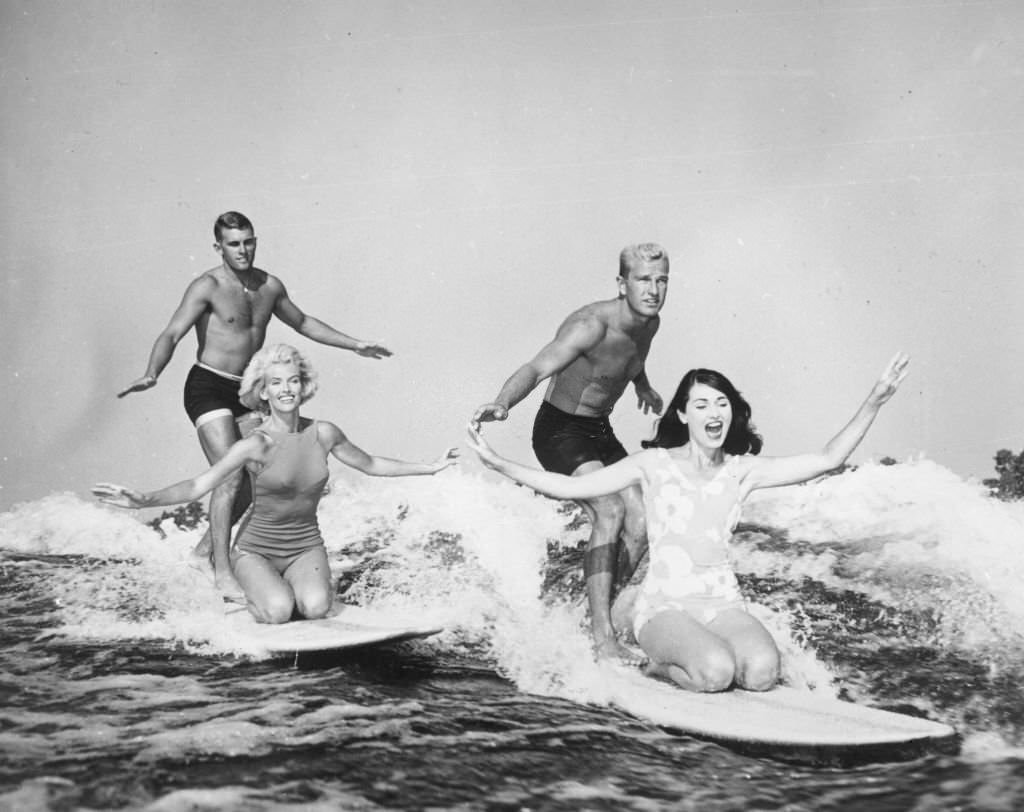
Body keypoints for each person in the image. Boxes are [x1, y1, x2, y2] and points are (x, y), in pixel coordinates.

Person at [468, 353, 910, 691]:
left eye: (721, 403)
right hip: (666, 607)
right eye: (701, 404)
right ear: (683, 414)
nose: (714, 413)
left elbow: (827, 459)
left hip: (722, 605)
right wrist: (499, 463)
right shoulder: (654, 465)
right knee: (714, 672)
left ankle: (699, 653)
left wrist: (874, 401)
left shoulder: (742, 470)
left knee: (760, 673)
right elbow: (570, 488)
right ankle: (654, 662)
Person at [117, 211, 392, 598]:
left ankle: (202, 554)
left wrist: (355, 344)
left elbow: (303, 322)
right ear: (219, 247)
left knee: (257, 475)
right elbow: (172, 332)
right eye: (233, 243)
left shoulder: (269, 286)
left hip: (248, 390)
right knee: (228, 475)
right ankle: (223, 573)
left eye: (249, 241)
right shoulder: (207, 285)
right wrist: (152, 372)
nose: (243, 250)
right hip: (208, 386)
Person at [97, 344, 457, 624]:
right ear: (263, 392)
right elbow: (197, 485)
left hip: (305, 547)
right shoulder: (255, 444)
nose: (286, 389)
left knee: (315, 608)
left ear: (304, 386)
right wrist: (144, 500)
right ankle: (258, 594)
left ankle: (297, 590)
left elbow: (373, 464)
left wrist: (431, 467)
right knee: (279, 611)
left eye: (293, 381)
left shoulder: (324, 433)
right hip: (256, 550)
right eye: (276, 383)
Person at [470, 243, 670, 663]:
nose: (653, 289)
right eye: (643, 280)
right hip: (560, 431)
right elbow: (537, 368)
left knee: (642, 519)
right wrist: (503, 402)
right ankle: (602, 640)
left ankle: (596, 618)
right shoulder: (588, 325)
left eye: (661, 280)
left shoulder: (649, 323)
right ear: (621, 283)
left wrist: (643, 386)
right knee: (609, 511)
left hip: (599, 430)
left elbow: (632, 356)